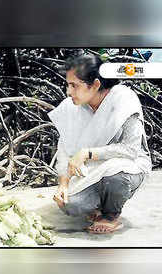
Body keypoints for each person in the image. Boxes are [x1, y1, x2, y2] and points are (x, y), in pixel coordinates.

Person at [48, 54, 152, 234]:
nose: (68, 92)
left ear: (95, 84)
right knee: (69, 205)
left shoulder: (123, 100)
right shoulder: (71, 107)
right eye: (68, 85)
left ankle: (111, 215)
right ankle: (97, 206)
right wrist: (63, 184)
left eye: (74, 86)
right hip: (92, 171)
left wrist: (88, 153)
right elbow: (64, 151)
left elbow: (130, 149)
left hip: (128, 166)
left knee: (116, 175)